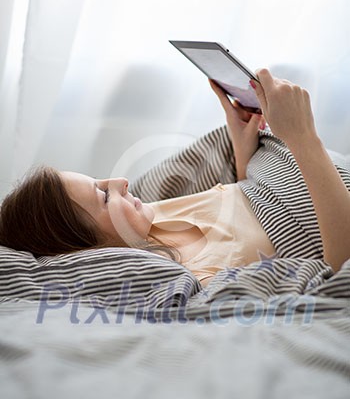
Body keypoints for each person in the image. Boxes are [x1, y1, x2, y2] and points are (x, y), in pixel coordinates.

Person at [0, 69, 349, 287]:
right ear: (91, 251)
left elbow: (240, 213)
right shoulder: (194, 275)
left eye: (102, 181)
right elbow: (340, 273)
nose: (121, 182)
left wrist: (243, 150)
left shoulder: (148, 225)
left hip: (277, 174)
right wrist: (304, 139)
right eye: (104, 197)